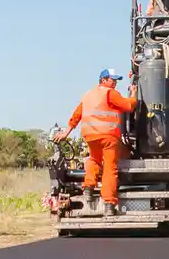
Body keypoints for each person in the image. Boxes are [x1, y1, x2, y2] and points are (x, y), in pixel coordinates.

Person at [53, 68, 138, 215]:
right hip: (108, 136)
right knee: (110, 168)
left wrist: (67, 131)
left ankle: (88, 188)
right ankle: (109, 204)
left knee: (93, 160)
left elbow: (77, 114)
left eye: (116, 80)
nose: (115, 83)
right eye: (112, 80)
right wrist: (134, 94)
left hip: (91, 136)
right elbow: (129, 106)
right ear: (103, 80)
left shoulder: (88, 95)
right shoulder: (110, 93)